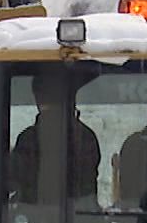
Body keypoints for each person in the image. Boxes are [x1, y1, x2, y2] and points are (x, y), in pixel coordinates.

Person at [8, 70, 101, 205]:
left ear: (38, 101)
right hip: (81, 214)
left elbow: (18, 181)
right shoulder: (85, 136)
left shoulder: (27, 139)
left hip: (34, 214)